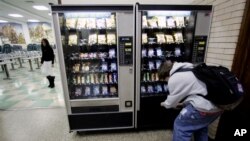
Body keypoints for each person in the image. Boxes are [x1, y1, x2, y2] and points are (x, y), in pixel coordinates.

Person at [158, 60, 222, 141]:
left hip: (202, 108)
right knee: (201, 127)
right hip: (218, 105)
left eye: (164, 80)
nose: (166, 82)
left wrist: (163, 104)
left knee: (180, 127)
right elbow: (196, 91)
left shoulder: (174, 78)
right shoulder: (189, 67)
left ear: (165, 74)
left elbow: (170, 103)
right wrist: (183, 104)